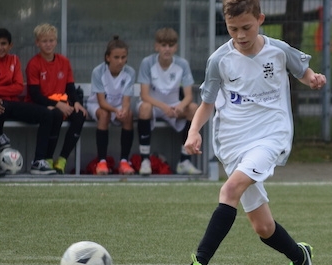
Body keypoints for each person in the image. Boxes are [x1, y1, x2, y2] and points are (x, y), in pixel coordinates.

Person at [180, 0, 327, 265]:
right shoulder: (219, 60)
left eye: (246, 27)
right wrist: (193, 132)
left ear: (260, 19)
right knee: (263, 227)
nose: (240, 35)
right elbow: (206, 103)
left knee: (229, 190)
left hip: (270, 136)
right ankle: (300, 257)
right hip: (233, 143)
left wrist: (312, 78)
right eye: (233, 29)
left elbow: (302, 70)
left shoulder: (278, 50)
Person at [0, 27, 61, 175]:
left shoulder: (14, 60)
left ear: (10, 45)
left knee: (47, 114)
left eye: (3, 44)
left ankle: (38, 161)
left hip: (11, 105)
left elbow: (18, 87)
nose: (0, 47)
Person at [136, 27, 202, 175]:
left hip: (173, 107)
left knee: (193, 109)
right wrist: (164, 107)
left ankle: (184, 161)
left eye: (171, 45)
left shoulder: (182, 64)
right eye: (163, 45)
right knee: (144, 107)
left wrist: (180, 107)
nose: (167, 49)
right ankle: (145, 161)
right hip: (154, 106)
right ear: (156, 46)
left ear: (176, 47)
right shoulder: (147, 63)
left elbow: (188, 96)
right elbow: (144, 95)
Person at [25, 23, 88, 174]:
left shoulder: (64, 62)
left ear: (56, 41)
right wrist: (57, 104)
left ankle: (62, 160)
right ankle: (47, 159)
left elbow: (70, 87)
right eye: (44, 41)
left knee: (80, 114)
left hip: (61, 103)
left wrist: (76, 102)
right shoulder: (34, 64)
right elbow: (35, 95)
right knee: (55, 114)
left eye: (51, 40)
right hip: (41, 105)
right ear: (37, 43)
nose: (48, 44)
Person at [86, 36, 137, 175]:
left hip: (118, 106)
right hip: (97, 105)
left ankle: (124, 162)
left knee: (128, 115)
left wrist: (123, 110)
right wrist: (116, 110)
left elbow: (126, 100)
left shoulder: (130, 72)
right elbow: (101, 102)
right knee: (104, 114)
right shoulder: (98, 71)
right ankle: (102, 162)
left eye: (123, 57)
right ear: (107, 57)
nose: (120, 61)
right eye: (116, 57)